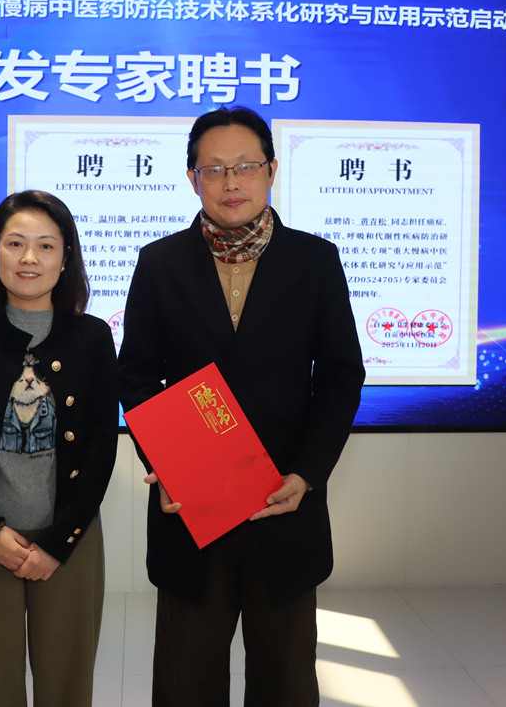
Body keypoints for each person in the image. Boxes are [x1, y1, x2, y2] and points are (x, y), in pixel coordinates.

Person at [118, 106, 365, 707]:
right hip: (192, 510)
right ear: (192, 178)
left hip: (283, 503)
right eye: (215, 169)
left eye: (246, 166)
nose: (231, 182)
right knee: (186, 681)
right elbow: (137, 374)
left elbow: (341, 377)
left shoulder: (316, 260)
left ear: (271, 170)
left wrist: (306, 473)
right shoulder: (160, 262)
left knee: (285, 681)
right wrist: (170, 464)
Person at [0, 190, 118, 707]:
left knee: (67, 686)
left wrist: (59, 541)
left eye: (46, 245)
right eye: (15, 243)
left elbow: (102, 445)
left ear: (66, 258)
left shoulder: (93, 337)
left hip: (69, 540)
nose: (29, 258)